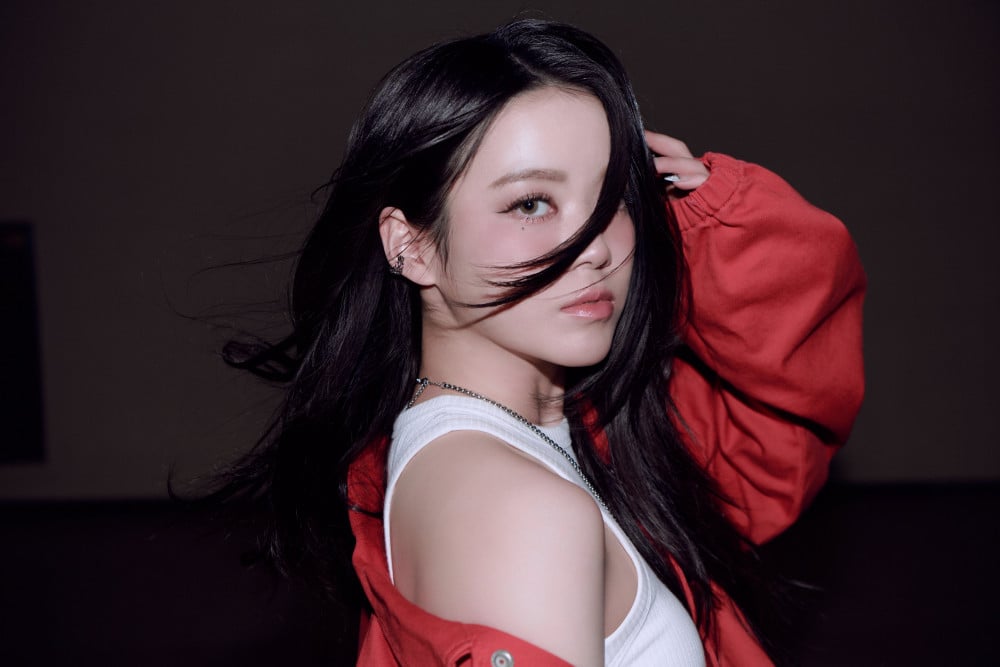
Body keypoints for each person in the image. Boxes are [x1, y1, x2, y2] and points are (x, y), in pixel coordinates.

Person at [215, 18, 865, 667]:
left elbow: (771, 446)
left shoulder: (574, 433)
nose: (595, 248)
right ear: (411, 246)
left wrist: (713, 226)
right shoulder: (517, 510)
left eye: (611, 197)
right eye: (531, 204)